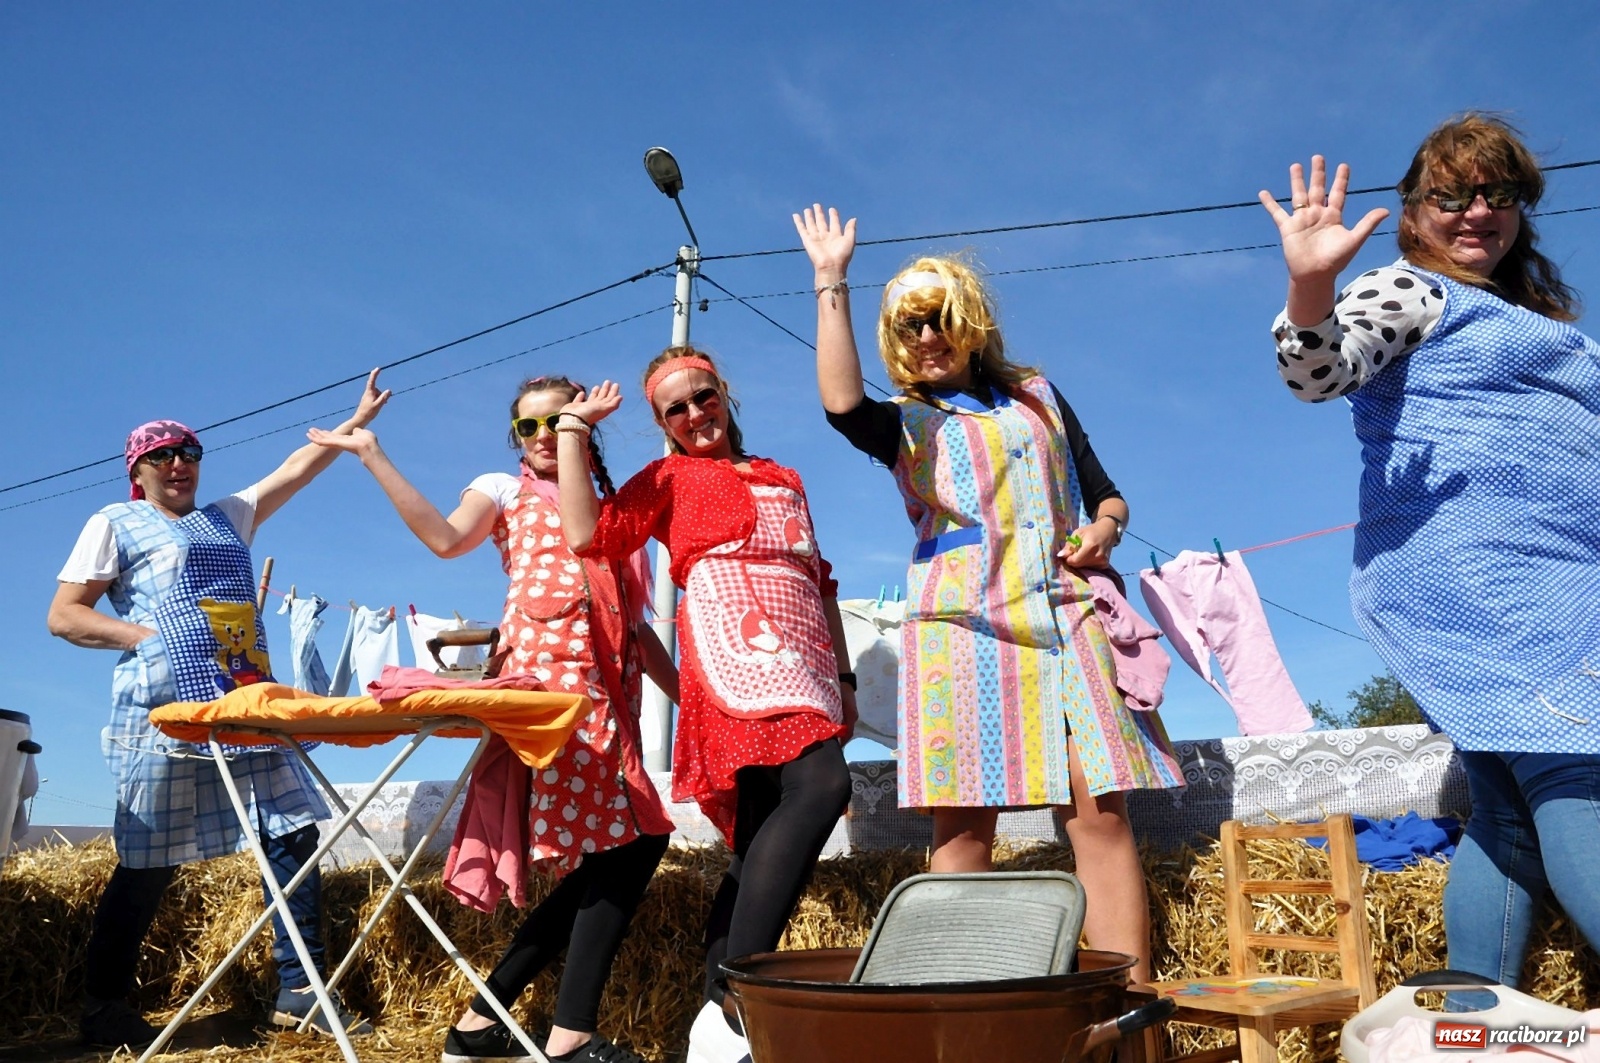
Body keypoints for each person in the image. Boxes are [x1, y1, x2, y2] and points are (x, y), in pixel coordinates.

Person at [793, 206, 1185, 984]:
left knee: (1098, 810)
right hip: (964, 629)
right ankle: (954, 1003)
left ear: (971, 321)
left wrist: (1105, 529)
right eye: (909, 326)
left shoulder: (1038, 395)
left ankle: (1126, 1005)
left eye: (939, 318)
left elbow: (1106, 493)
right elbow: (840, 404)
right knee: (965, 822)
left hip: (1066, 617)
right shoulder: (906, 422)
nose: (927, 336)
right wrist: (829, 281)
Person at [1260, 114, 1600, 988]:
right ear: (1414, 210)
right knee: (1576, 762)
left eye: (1497, 193)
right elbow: (1319, 370)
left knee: (1506, 809)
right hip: (1491, 578)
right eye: (1450, 193)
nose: (1476, 209)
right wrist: (1310, 288)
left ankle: (1469, 1017)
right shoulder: (1412, 291)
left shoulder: (1517, 314)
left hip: (1548, 569)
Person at [308, 374, 676, 1063]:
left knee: (611, 856)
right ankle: (569, 1036)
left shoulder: (606, 509)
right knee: (631, 845)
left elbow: (638, 627)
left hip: (608, 697)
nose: (543, 436)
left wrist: (686, 695)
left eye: (558, 421)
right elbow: (445, 539)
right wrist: (373, 455)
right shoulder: (503, 489)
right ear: (516, 439)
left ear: (584, 426)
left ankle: (478, 1025)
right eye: (529, 427)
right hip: (551, 693)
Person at [46, 371, 388, 1049]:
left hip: (244, 697)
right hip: (164, 708)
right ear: (136, 472)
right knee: (148, 861)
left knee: (291, 832)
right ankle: (103, 1005)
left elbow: (294, 468)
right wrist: (144, 636)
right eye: (163, 455)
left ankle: (301, 990)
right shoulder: (114, 522)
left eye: (191, 452)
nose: (179, 463)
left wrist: (350, 427)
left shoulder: (227, 515)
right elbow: (64, 615)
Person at [554, 350, 855, 1063]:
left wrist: (842, 673)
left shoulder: (785, 475)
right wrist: (572, 430)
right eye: (676, 409)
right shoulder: (666, 477)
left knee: (756, 838)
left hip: (805, 648)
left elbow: (822, 578)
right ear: (663, 424)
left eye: (704, 396)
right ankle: (740, 993)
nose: (696, 415)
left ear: (726, 392)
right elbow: (587, 535)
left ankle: (713, 1033)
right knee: (826, 783)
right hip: (733, 643)